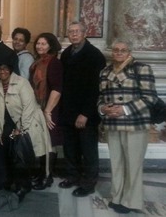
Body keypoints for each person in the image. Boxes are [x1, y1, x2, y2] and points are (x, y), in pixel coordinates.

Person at [97, 40, 155, 214]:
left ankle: (131, 201)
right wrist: (103, 108)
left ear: (129, 51)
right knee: (116, 163)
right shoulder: (105, 71)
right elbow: (101, 96)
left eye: (123, 50)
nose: (119, 53)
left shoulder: (141, 68)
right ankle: (117, 197)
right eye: (116, 50)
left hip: (134, 123)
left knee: (133, 164)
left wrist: (124, 109)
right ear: (112, 52)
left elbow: (149, 97)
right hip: (113, 123)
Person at [0, 58, 51, 201]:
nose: (2, 72)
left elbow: (29, 106)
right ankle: (9, 181)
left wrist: (21, 128)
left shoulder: (21, 83)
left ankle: (23, 186)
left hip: (28, 123)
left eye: (5, 68)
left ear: (10, 70)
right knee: (8, 152)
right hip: (11, 124)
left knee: (20, 156)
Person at [59, 21, 106, 197]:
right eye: (71, 31)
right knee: (70, 148)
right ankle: (73, 176)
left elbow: (95, 88)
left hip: (86, 113)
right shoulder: (66, 54)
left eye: (77, 31)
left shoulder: (95, 55)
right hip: (68, 111)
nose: (74, 34)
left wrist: (85, 113)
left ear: (85, 33)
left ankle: (88, 183)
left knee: (88, 150)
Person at [29, 32, 63, 190]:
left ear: (50, 46)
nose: (40, 46)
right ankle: (42, 172)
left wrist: (47, 111)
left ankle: (48, 176)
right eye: (38, 43)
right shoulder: (37, 63)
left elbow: (57, 89)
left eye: (43, 44)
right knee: (42, 141)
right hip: (38, 107)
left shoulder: (54, 62)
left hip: (50, 108)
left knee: (49, 142)